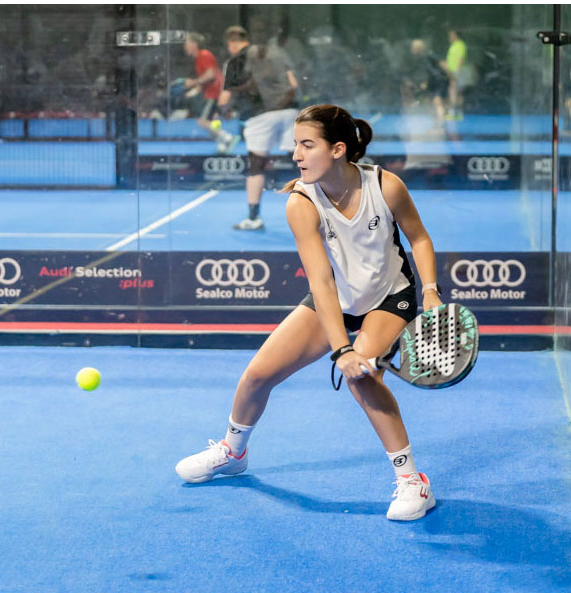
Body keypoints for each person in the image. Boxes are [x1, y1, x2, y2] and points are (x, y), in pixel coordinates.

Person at [175, 104, 443, 521]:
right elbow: (320, 281)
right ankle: (233, 451)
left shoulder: (385, 185)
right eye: (295, 145)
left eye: (306, 145)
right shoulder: (300, 202)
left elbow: (419, 238)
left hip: (390, 295)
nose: (295, 155)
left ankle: (413, 481)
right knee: (257, 375)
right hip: (334, 297)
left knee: (363, 379)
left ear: (337, 149)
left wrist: (430, 292)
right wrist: (341, 349)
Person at [219, 25, 299, 231]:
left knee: (256, 165)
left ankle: (253, 218)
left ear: (231, 43)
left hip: (260, 116)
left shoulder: (235, 62)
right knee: (301, 162)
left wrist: (223, 108)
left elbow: (225, 98)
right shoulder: (275, 54)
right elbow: (293, 84)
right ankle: (324, 212)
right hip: (290, 111)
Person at [181, 33, 235, 152]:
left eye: (187, 43)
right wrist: (192, 92)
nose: (185, 46)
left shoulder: (204, 55)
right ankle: (222, 144)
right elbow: (203, 81)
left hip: (214, 93)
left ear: (194, 44)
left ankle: (226, 137)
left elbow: (210, 75)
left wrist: (193, 82)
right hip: (212, 92)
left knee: (202, 122)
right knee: (213, 121)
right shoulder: (198, 60)